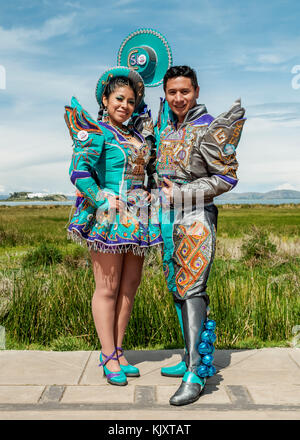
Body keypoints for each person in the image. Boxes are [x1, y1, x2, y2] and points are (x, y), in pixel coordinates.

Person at [64, 67, 163, 386]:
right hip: (108, 217)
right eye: (119, 98)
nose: (125, 105)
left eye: (131, 101)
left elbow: (147, 168)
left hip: (138, 217)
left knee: (129, 287)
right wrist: (102, 197)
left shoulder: (136, 135)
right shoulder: (97, 132)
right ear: (105, 100)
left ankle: (119, 351)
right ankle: (107, 355)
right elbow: (79, 172)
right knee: (107, 288)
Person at [153, 65, 246, 405]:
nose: (179, 98)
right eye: (172, 92)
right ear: (165, 94)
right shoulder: (167, 127)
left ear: (196, 92)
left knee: (193, 289)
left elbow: (227, 178)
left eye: (185, 91)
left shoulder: (207, 128)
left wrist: (182, 194)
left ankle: (196, 373)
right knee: (177, 288)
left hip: (195, 217)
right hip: (164, 219)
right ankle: (189, 355)